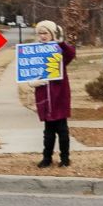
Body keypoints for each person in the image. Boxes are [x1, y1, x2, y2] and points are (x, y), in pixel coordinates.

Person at [30, 20, 76, 168]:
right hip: (44, 98)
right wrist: (32, 82)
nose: (42, 36)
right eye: (40, 33)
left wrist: (60, 42)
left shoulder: (59, 51)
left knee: (62, 131)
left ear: (52, 34)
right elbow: (27, 71)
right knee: (48, 132)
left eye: (45, 33)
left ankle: (65, 158)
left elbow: (71, 53)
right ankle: (47, 158)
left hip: (59, 97)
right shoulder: (34, 52)